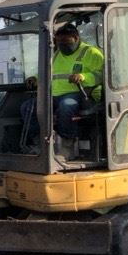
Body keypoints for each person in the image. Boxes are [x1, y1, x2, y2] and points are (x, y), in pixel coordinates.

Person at [20, 23, 105, 156]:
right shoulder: (57, 54)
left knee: (66, 106)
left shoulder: (91, 53)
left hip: (80, 94)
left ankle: (67, 143)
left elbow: (101, 74)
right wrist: (35, 78)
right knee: (28, 107)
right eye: (59, 41)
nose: (61, 44)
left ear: (76, 38)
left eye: (65, 41)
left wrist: (83, 76)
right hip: (53, 95)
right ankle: (38, 142)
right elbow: (48, 72)